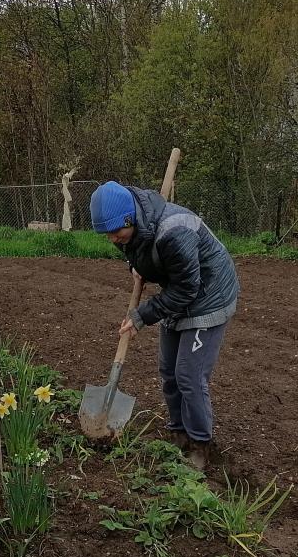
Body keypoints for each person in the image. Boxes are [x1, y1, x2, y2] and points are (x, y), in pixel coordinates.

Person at [90, 180, 239, 466]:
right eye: (106, 234)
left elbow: (186, 290)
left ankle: (199, 444)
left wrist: (142, 315)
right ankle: (178, 433)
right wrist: (136, 266)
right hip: (179, 291)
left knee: (188, 375)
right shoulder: (132, 229)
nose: (111, 239)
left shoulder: (174, 232)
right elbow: (138, 250)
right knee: (168, 370)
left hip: (208, 295)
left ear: (129, 218)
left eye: (115, 232)